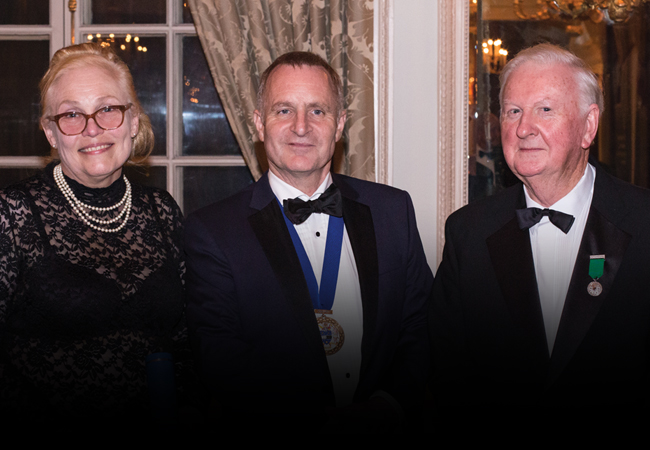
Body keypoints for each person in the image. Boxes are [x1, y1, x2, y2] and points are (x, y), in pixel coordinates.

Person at [184, 51, 433, 432]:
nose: (301, 127)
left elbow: (421, 327)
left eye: (318, 111)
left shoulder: (392, 210)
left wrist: (389, 407)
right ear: (258, 124)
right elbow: (220, 356)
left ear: (339, 125)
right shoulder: (213, 231)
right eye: (283, 110)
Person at [431, 43, 650, 420]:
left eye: (544, 110)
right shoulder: (468, 233)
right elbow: (441, 375)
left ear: (589, 126)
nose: (523, 128)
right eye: (513, 111)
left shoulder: (644, 224)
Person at [0, 43, 193, 428]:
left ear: (133, 120)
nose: (92, 129)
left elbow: (186, 339)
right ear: (51, 133)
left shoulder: (161, 210)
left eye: (107, 109)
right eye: (71, 114)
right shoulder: (12, 215)